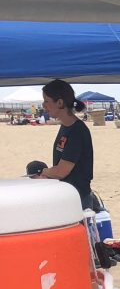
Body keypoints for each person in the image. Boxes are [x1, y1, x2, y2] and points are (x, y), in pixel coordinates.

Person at [28, 79, 97, 209]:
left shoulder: (77, 131)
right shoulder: (66, 126)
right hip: (67, 195)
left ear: (60, 103)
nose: (43, 105)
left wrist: (43, 172)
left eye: (46, 101)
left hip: (78, 199)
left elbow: (61, 171)